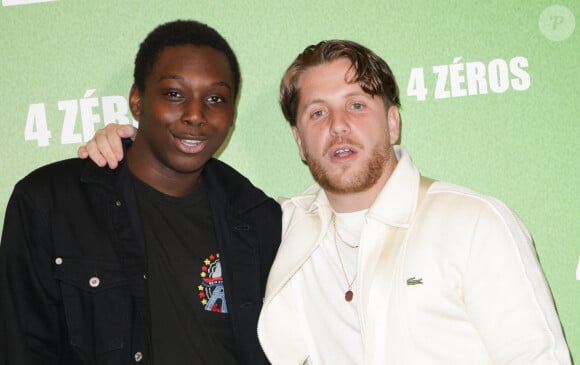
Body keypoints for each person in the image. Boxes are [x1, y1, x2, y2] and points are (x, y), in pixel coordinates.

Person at [81, 39, 573, 364]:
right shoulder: (275, 226)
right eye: (318, 113)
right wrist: (131, 144)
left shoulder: (472, 222)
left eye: (357, 105)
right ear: (298, 141)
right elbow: (179, 193)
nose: (338, 125)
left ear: (393, 121)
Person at [0, 20, 281, 364]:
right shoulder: (49, 202)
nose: (195, 114)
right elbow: (21, 347)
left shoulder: (258, 219)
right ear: (137, 99)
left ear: (232, 113)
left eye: (215, 98)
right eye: (174, 94)